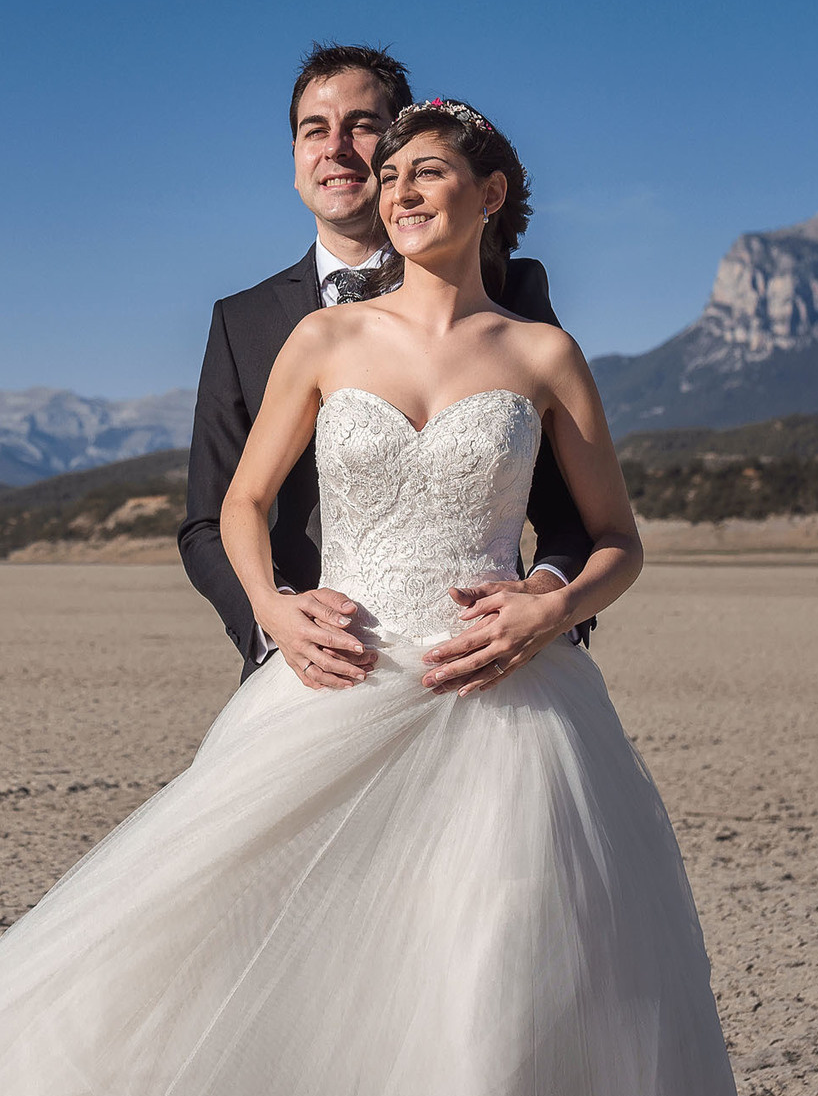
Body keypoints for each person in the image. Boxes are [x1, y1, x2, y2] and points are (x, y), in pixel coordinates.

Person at [0, 98, 738, 1096]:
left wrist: (551, 606)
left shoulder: (542, 355)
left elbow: (619, 539)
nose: (398, 192)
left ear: (490, 195)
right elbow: (242, 504)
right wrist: (274, 607)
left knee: (491, 969)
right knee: (202, 932)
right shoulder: (323, 335)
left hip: (508, 703)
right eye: (390, 179)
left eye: (425, 172)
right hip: (335, 678)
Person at [179, 43, 596, 686]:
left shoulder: (514, 298)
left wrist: (544, 604)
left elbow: (575, 516)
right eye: (314, 130)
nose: (337, 148)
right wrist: (277, 627)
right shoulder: (242, 321)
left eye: (363, 127)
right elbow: (213, 516)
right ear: (294, 160)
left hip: (491, 672)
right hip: (312, 676)